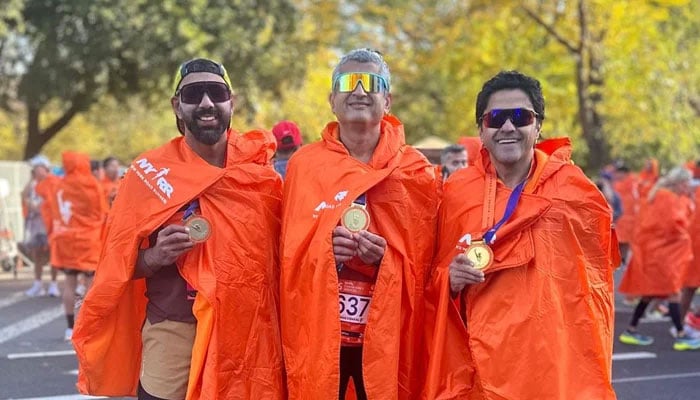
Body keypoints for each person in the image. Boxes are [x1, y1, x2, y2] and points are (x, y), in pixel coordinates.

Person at [72, 58, 285, 399]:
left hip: (245, 335)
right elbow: (116, 266)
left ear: (232, 101)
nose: (205, 103)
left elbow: (286, 261)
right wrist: (155, 256)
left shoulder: (260, 177)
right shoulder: (149, 175)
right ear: (177, 105)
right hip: (173, 330)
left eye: (215, 92)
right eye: (193, 94)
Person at [424, 71, 618, 399]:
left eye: (521, 117)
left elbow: (596, 291)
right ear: (481, 131)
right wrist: (451, 279)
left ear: (538, 126)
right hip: (478, 370)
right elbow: (431, 278)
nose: (508, 127)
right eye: (496, 118)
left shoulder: (576, 193)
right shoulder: (456, 192)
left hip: (551, 368)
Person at [280, 48, 439, 399]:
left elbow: (427, 268)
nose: (360, 91)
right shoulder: (305, 166)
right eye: (348, 83)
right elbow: (287, 258)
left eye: (371, 83)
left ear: (388, 100)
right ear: (332, 99)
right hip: (321, 332)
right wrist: (326, 252)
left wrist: (385, 260)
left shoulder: (416, 172)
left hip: (386, 337)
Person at [618, 166, 700, 349]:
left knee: (650, 294)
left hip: (654, 253)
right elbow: (675, 225)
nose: (689, 186)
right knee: (673, 293)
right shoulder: (668, 199)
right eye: (686, 183)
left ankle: (631, 330)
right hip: (663, 255)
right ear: (679, 183)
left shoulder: (659, 195)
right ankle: (680, 335)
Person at [42, 151, 107, 341]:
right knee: (89, 285)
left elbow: (50, 210)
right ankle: (87, 326)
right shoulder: (91, 184)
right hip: (88, 240)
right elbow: (102, 211)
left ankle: (69, 328)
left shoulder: (59, 185)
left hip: (65, 240)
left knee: (69, 283)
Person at [22, 155, 60, 298]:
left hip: (51, 223)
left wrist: (41, 207)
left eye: (37, 167)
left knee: (52, 254)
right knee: (37, 254)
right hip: (36, 224)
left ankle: (54, 284)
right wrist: (31, 179)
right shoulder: (32, 185)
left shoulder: (53, 182)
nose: (35, 171)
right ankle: (38, 284)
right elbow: (24, 196)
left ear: (45, 168)